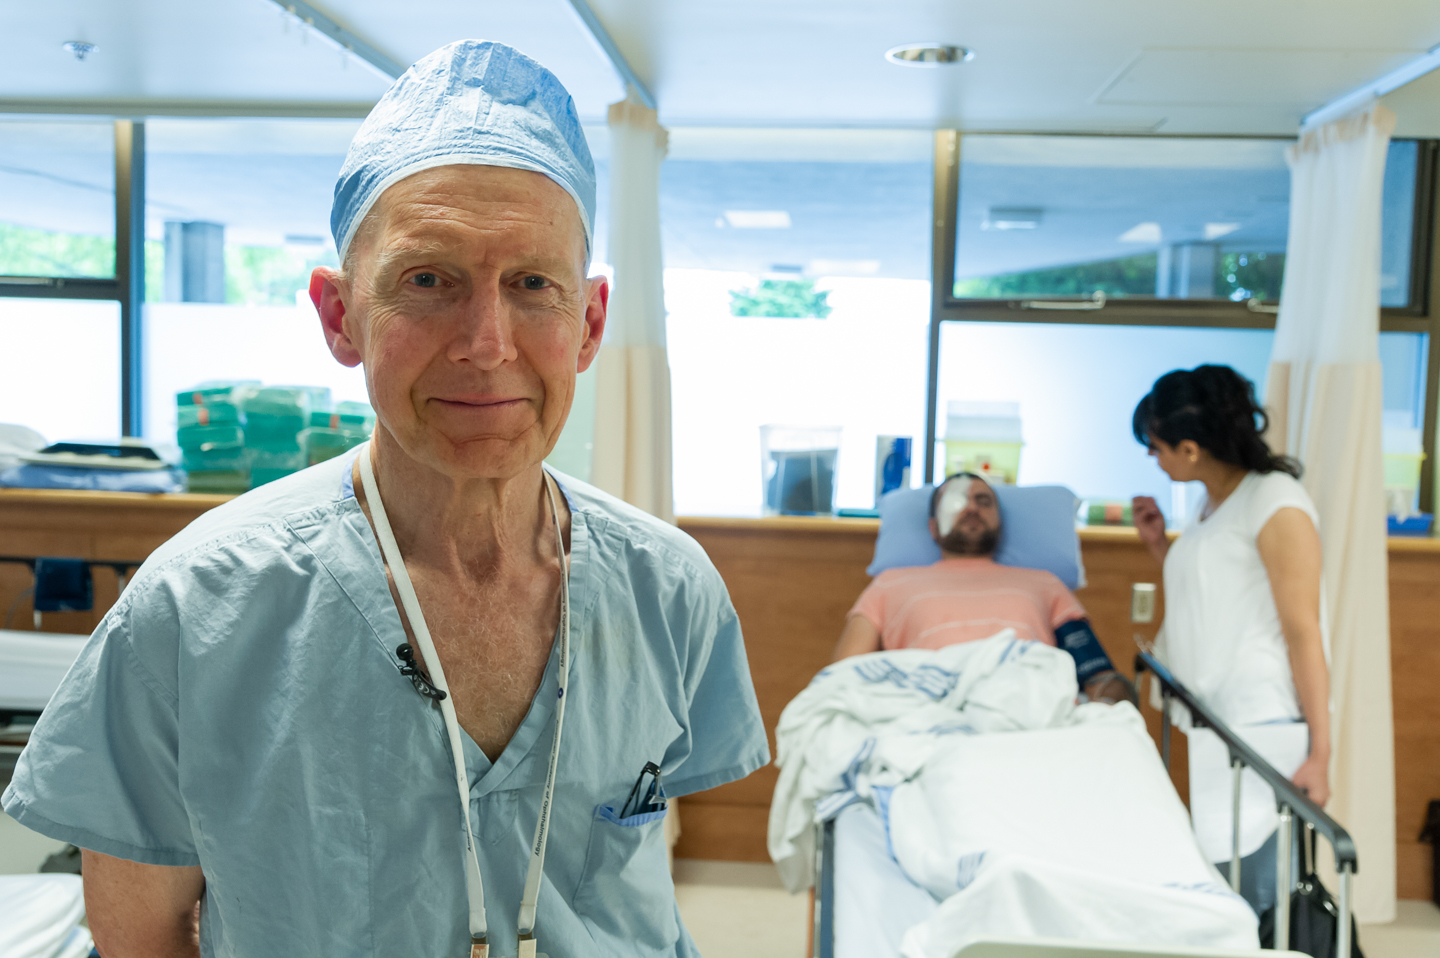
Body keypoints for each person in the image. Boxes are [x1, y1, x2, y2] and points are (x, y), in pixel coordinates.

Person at [2, 41, 768, 958]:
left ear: (590, 323)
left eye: (532, 284)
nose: (488, 343)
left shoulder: (667, 589)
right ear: (340, 317)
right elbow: (141, 934)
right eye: (428, 280)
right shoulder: (196, 607)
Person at [1131, 364, 1329, 916]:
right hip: (1218, 721)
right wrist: (1157, 545)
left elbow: (1302, 629)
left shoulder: (1276, 502)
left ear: (1190, 449)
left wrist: (1321, 752)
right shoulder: (1214, 502)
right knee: (1226, 887)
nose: (1153, 456)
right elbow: (1217, 593)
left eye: (1156, 445)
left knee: (1258, 897)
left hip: (1262, 724)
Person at [832, 473, 1135, 705]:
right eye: (956, 501)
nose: (972, 508)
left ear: (1000, 524)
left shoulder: (1044, 583)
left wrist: (1111, 706)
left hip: (1029, 714)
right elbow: (839, 678)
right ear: (933, 528)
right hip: (927, 712)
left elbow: (1099, 677)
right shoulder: (890, 583)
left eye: (983, 501)